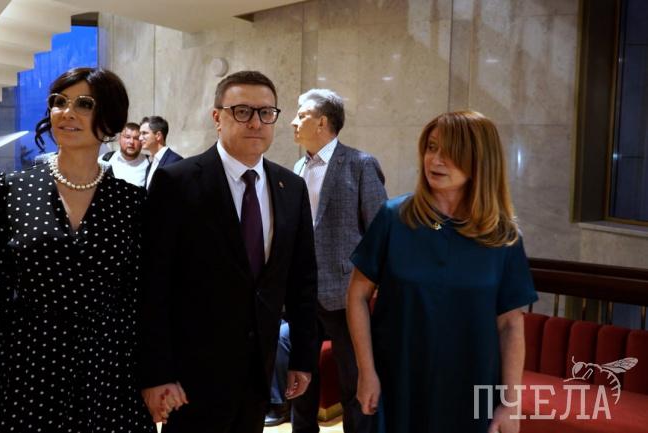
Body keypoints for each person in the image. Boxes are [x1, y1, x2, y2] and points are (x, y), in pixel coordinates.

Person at [0, 67, 156, 432]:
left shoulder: (131, 201)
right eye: (59, 102)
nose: (67, 112)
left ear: (109, 118)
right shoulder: (14, 188)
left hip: (108, 371)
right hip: (30, 367)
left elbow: (140, 299)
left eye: (84, 104)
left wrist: (155, 375)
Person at [140, 70, 320, 433]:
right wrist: (157, 373)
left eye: (266, 112)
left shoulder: (290, 187)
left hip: (259, 371)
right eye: (242, 111)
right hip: (192, 376)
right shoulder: (178, 182)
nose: (255, 122)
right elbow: (152, 285)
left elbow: (302, 280)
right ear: (217, 117)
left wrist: (302, 357)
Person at [346, 111, 537, 433]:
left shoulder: (503, 237)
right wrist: (366, 372)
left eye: (451, 152)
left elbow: (510, 326)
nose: (435, 160)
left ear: (479, 160)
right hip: (397, 381)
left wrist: (510, 404)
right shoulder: (394, 217)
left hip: (472, 387)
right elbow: (356, 296)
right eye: (432, 147)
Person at [289, 88, 386, 433]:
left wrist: (372, 289)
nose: (293, 122)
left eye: (301, 115)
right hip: (303, 294)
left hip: (347, 294)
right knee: (300, 381)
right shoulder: (298, 166)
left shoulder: (360, 164)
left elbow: (379, 232)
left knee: (352, 381)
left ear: (323, 122)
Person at [100, 122, 149, 187]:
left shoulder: (150, 164)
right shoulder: (104, 160)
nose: (131, 142)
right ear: (119, 139)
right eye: (127, 137)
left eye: (136, 138)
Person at [140, 115, 182, 189]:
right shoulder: (150, 165)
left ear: (158, 135)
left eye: (144, 133)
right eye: (140, 134)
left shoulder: (175, 161)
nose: (140, 138)